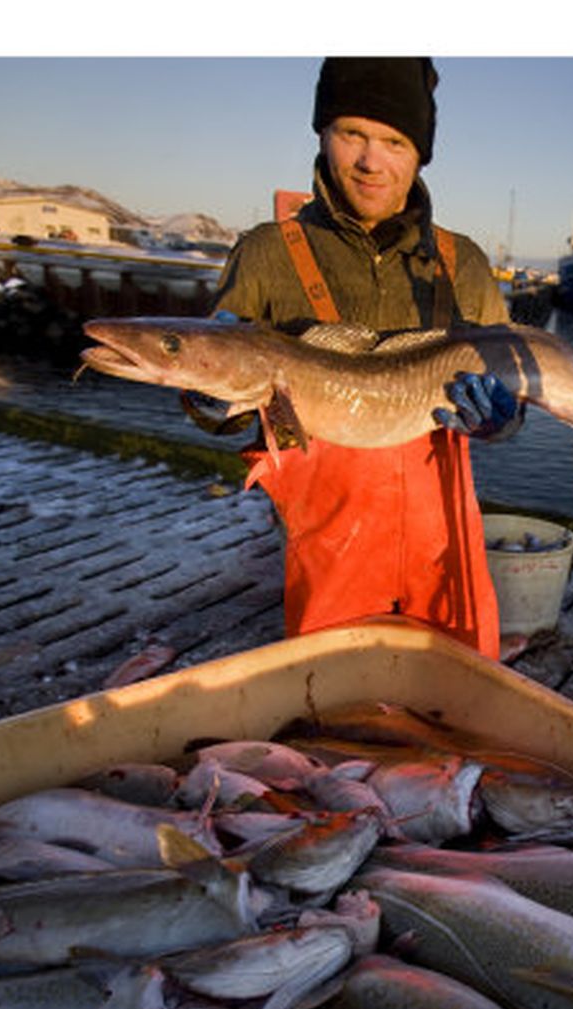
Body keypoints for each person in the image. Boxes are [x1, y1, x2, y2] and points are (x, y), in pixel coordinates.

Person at [207, 57, 516, 658]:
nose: (372, 161)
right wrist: (207, 402)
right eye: (352, 134)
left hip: (444, 548)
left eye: (394, 142)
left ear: (420, 154)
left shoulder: (466, 263)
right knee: (336, 719)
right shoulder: (266, 254)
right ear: (322, 133)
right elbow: (230, 403)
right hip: (331, 551)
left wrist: (503, 420)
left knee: (455, 707)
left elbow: (514, 393)